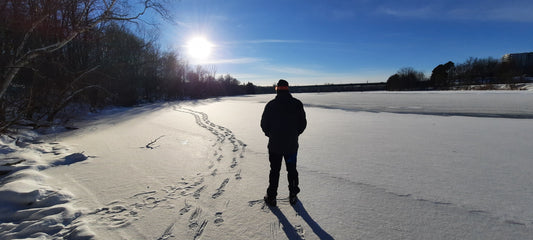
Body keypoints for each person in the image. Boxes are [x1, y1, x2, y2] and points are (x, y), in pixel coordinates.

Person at [261, 79, 307, 206]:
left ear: (277, 89)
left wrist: (271, 135)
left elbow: (264, 125)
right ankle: (293, 195)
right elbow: (302, 124)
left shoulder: (271, 105)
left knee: (274, 171)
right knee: (292, 170)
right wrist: (294, 134)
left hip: (275, 146)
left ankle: (271, 197)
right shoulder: (297, 104)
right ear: (287, 89)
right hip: (291, 146)